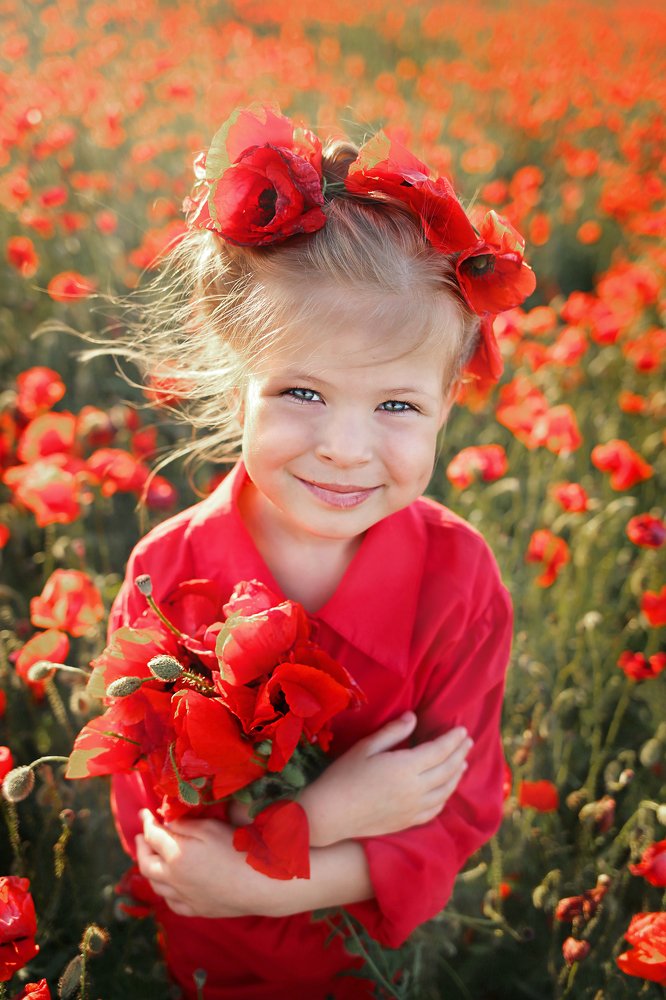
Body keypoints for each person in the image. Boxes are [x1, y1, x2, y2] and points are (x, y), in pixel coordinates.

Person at [106, 104, 535, 999]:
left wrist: (259, 864)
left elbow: (459, 807)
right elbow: (172, 843)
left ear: (450, 402)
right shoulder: (166, 577)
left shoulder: (458, 582)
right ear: (237, 371)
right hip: (211, 958)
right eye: (303, 390)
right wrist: (324, 817)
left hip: (370, 960)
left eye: (397, 407)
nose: (345, 447)